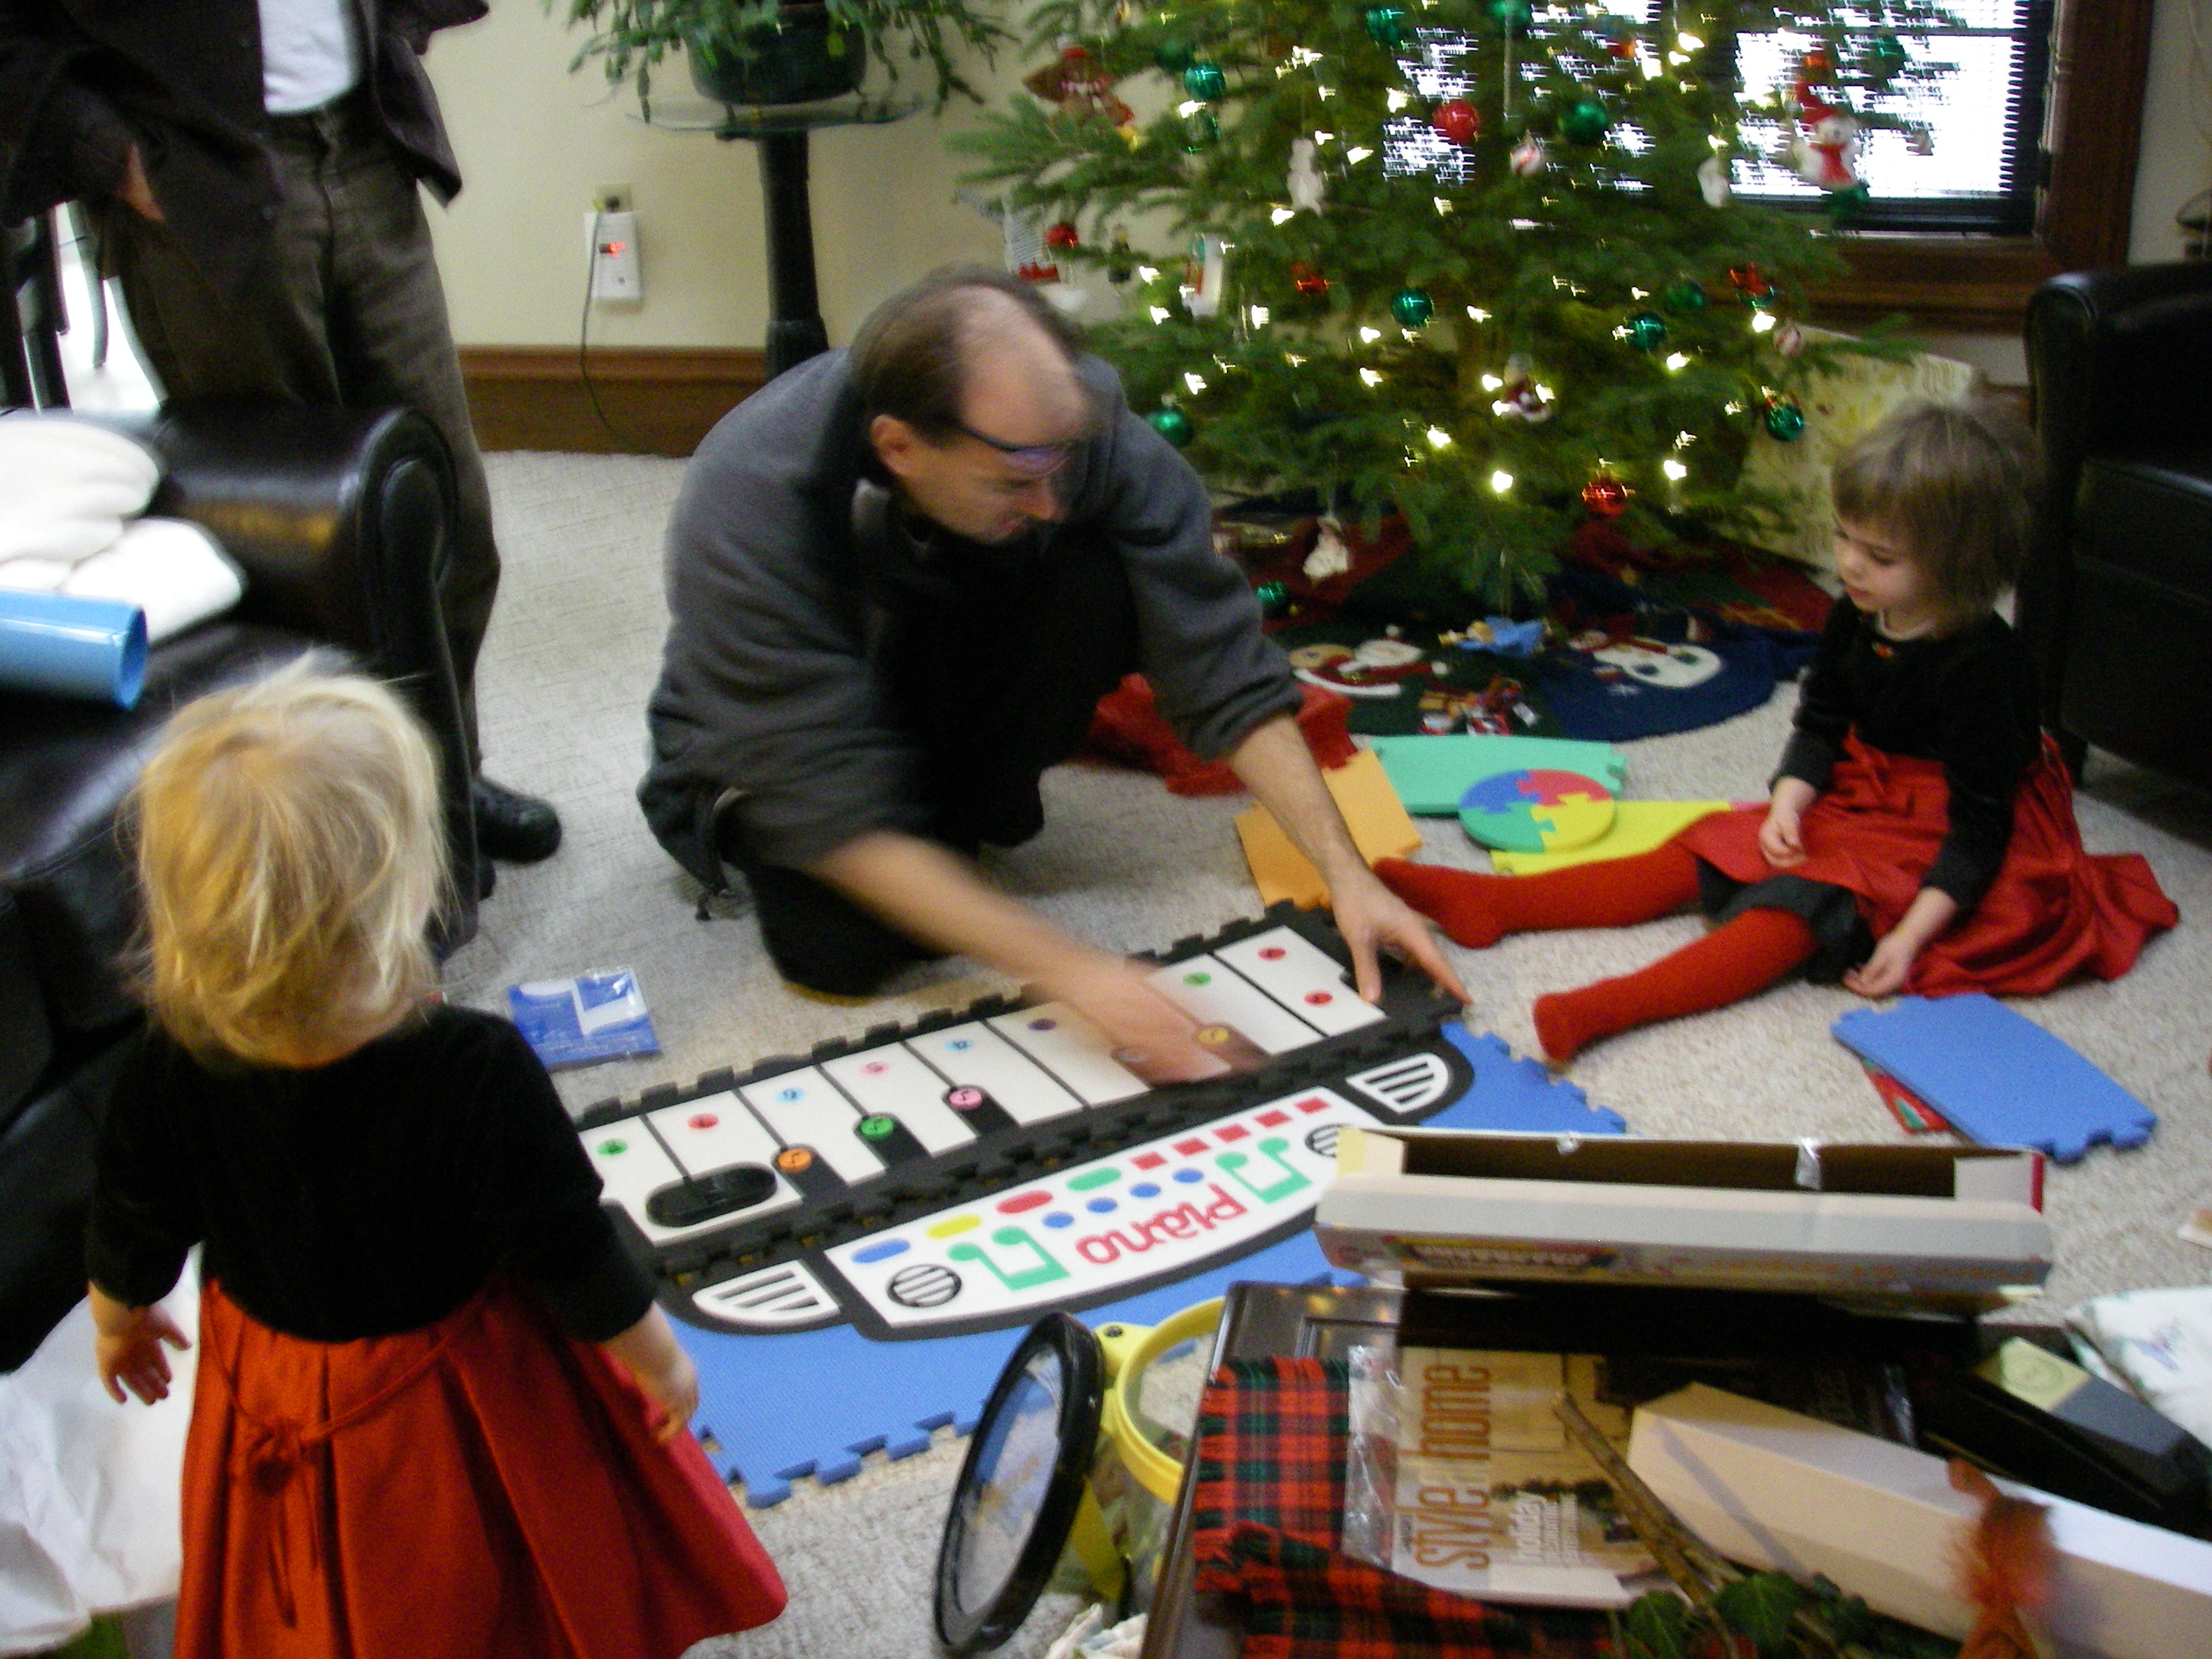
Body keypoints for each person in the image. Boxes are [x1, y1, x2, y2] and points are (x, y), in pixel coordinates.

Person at [86, 662, 785, 1658]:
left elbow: (133, 1212)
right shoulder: (475, 1069)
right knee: (469, 1566)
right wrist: (658, 1359)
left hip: (271, 1376)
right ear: (405, 884)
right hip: (450, 1395)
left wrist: (119, 1319)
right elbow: (569, 1251)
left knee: (311, 1566)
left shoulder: (169, 1060)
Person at [642, 266, 1463, 1066]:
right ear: (899, 447)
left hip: (933, 653)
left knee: (1097, 573)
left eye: (1059, 465)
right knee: (840, 954)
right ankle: (898, 838)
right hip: (783, 751)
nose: (1049, 502)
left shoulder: (1069, 424)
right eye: (1015, 480)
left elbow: (1221, 660)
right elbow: (824, 808)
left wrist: (1347, 874)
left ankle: (955, 817)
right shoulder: (747, 498)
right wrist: (1079, 974)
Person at [1375, 400, 2177, 1064]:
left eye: (1879, 555)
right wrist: (1791, 798)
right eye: (1845, 539)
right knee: (1712, 845)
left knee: (1797, 907)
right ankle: (1497, 903)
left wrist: (1909, 937)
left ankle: (1608, 1008)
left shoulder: (1986, 669)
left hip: (1956, 829)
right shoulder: (1857, 611)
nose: (1849, 565)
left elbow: (1980, 830)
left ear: (1962, 566)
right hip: (1869, 789)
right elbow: (1822, 717)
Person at [0, 0, 558, 894]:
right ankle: (352, 839)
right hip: (203, 175)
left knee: (447, 517)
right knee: (304, 560)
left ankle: (446, 784)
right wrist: (112, 156)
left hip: (364, 141)